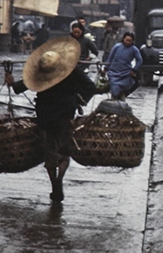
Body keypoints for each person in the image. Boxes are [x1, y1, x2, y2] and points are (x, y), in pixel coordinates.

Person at [5, 34, 99, 202]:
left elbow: (21, 87)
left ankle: (54, 184)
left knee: (49, 151)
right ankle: (59, 180)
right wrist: (79, 100)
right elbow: (90, 87)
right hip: (65, 114)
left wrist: (12, 83)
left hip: (45, 115)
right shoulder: (72, 71)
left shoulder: (41, 73)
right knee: (64, 150)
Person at [106, 32, 142, 101]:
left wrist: (134, 70)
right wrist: (105, 68)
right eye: (126, 40)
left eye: (130, 41)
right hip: (114, 72)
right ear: (123, 39)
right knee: (114, 90)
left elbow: (139, 60)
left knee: (123, 92)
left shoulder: (134, 49)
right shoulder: (116, 46)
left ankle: (122, 106)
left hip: (125, 73)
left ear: (132, 41)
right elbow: (110, 58)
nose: (128, 42)